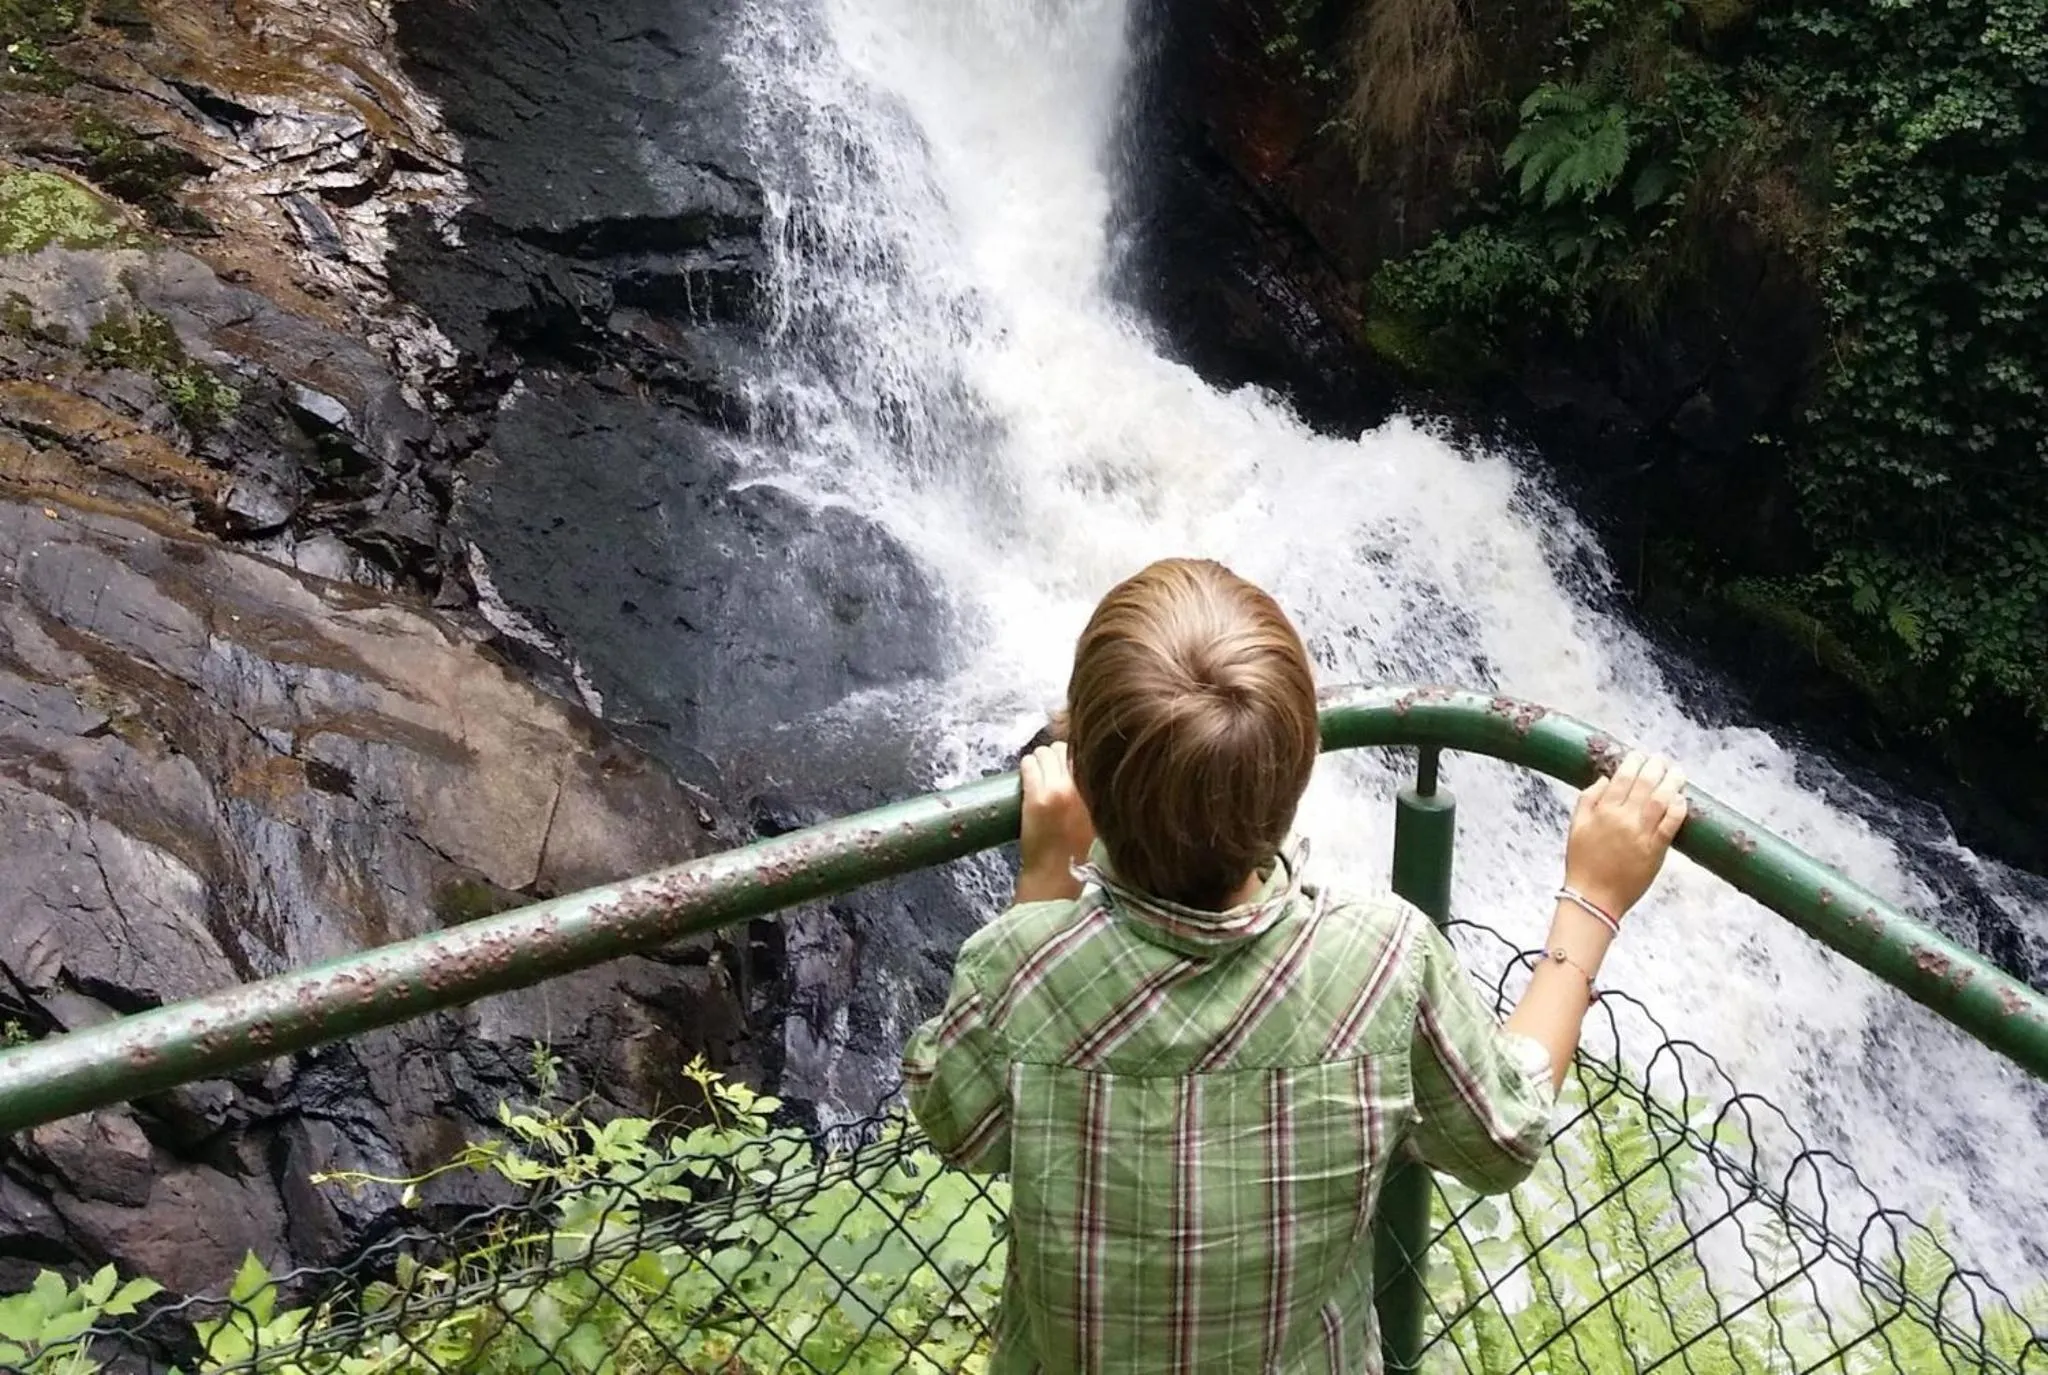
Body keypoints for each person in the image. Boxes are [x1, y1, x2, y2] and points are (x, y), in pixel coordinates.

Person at [903, 558, 1688, 1375]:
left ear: (1088, 782)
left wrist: (1044, 890)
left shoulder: (1017, 969)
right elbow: (1505, 1134)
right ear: (1301, 767)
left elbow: (960, 1124)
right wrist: (1593, 898)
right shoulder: (1384, 958)